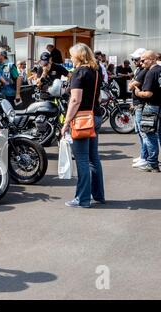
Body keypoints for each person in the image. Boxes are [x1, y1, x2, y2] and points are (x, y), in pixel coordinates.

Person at [61, 43, 105, 208]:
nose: (70, 58)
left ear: (78, 56)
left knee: (82, 160)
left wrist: (66, 122)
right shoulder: (95, 71)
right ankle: (98, 195)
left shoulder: (79, 72)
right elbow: (99, 97)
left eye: (72, 55)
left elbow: (75, 100)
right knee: (93, 158)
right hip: (96, 116)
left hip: (82, 120)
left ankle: (82, 199)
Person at [134, 50, 161, 172]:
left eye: (143, 60)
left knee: (149, 134)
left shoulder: (151, 72)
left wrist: (138, 93)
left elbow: (148, 93)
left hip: (152, 106)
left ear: (152, 59)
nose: (141, 62)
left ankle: (152, 163)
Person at [128, 48, 149, 169]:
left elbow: (132, 85)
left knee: (143, 133)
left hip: (141, 104)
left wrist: (132, 84)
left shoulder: (143, 71)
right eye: (133, 59)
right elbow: (131, 84)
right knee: (140, 132)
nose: (134, 61)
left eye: (135, 59)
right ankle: (143, 156)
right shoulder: (139, 70)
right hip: (137, 103)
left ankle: (145, 157)